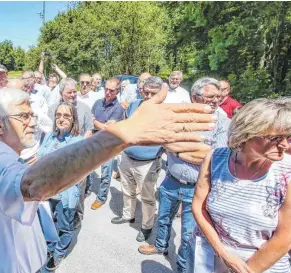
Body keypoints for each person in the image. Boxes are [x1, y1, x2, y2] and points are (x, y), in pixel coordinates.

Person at [0, 85, 217, 273]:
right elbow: (33, 184)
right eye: (24, 116)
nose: (33, 122)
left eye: (32, 114)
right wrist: (124, 134)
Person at [189, 97, 291, 273]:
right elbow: (198, 206)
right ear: (245, 134)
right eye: (276, 138)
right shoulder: (215, 158)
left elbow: (285, 238)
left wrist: (244, 270)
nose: (285, 145)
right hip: (211, 256)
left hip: (262, 265)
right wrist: (222, 253)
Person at [138, 77, 231, 273]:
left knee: (188, 233)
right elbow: (166, 140)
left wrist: (179, 150)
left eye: (218, 96)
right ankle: (160, 245)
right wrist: (193, 149)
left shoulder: (222, 121)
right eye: (210, 97)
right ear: (195, 97)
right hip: (171, 181)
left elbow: (217, 157)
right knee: (163, 217)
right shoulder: (181, 115)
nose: (216, 100)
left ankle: (182, 267)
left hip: (197, 187)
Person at [110, 77, 164, 243]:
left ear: (160, 94)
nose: (148, 96)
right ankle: (128, 215)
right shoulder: (134, 105)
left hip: (148, 162)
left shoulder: (164, 112)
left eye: (152, 93)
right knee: (127, 189)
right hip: (128, 156)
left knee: (147, 198)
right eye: (145, 91)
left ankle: (146, 226)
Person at [36, 102, 84, 271]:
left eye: (66, 116)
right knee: (47, 224)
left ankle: (58, 253)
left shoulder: (78, 142)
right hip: (45, 193)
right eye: (58, 115)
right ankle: (49, 248)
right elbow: (40, 157)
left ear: (73, 120)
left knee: (64, 226)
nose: (61, 119)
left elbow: (75, 171)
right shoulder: (49, 137)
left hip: (64, 194)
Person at [90, 78, 125, 210]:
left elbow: (108, 128)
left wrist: (95, 122)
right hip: (93, 141)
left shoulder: (119, 108)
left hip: (108, 145)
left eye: (111, 90)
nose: (107, 92)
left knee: (106, 172)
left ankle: (101, 197)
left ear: (118, 91)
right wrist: (97, 123)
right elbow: (90, 117)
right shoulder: (98, 102)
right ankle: (87, 190)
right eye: (106, 89)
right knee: (88, 169)